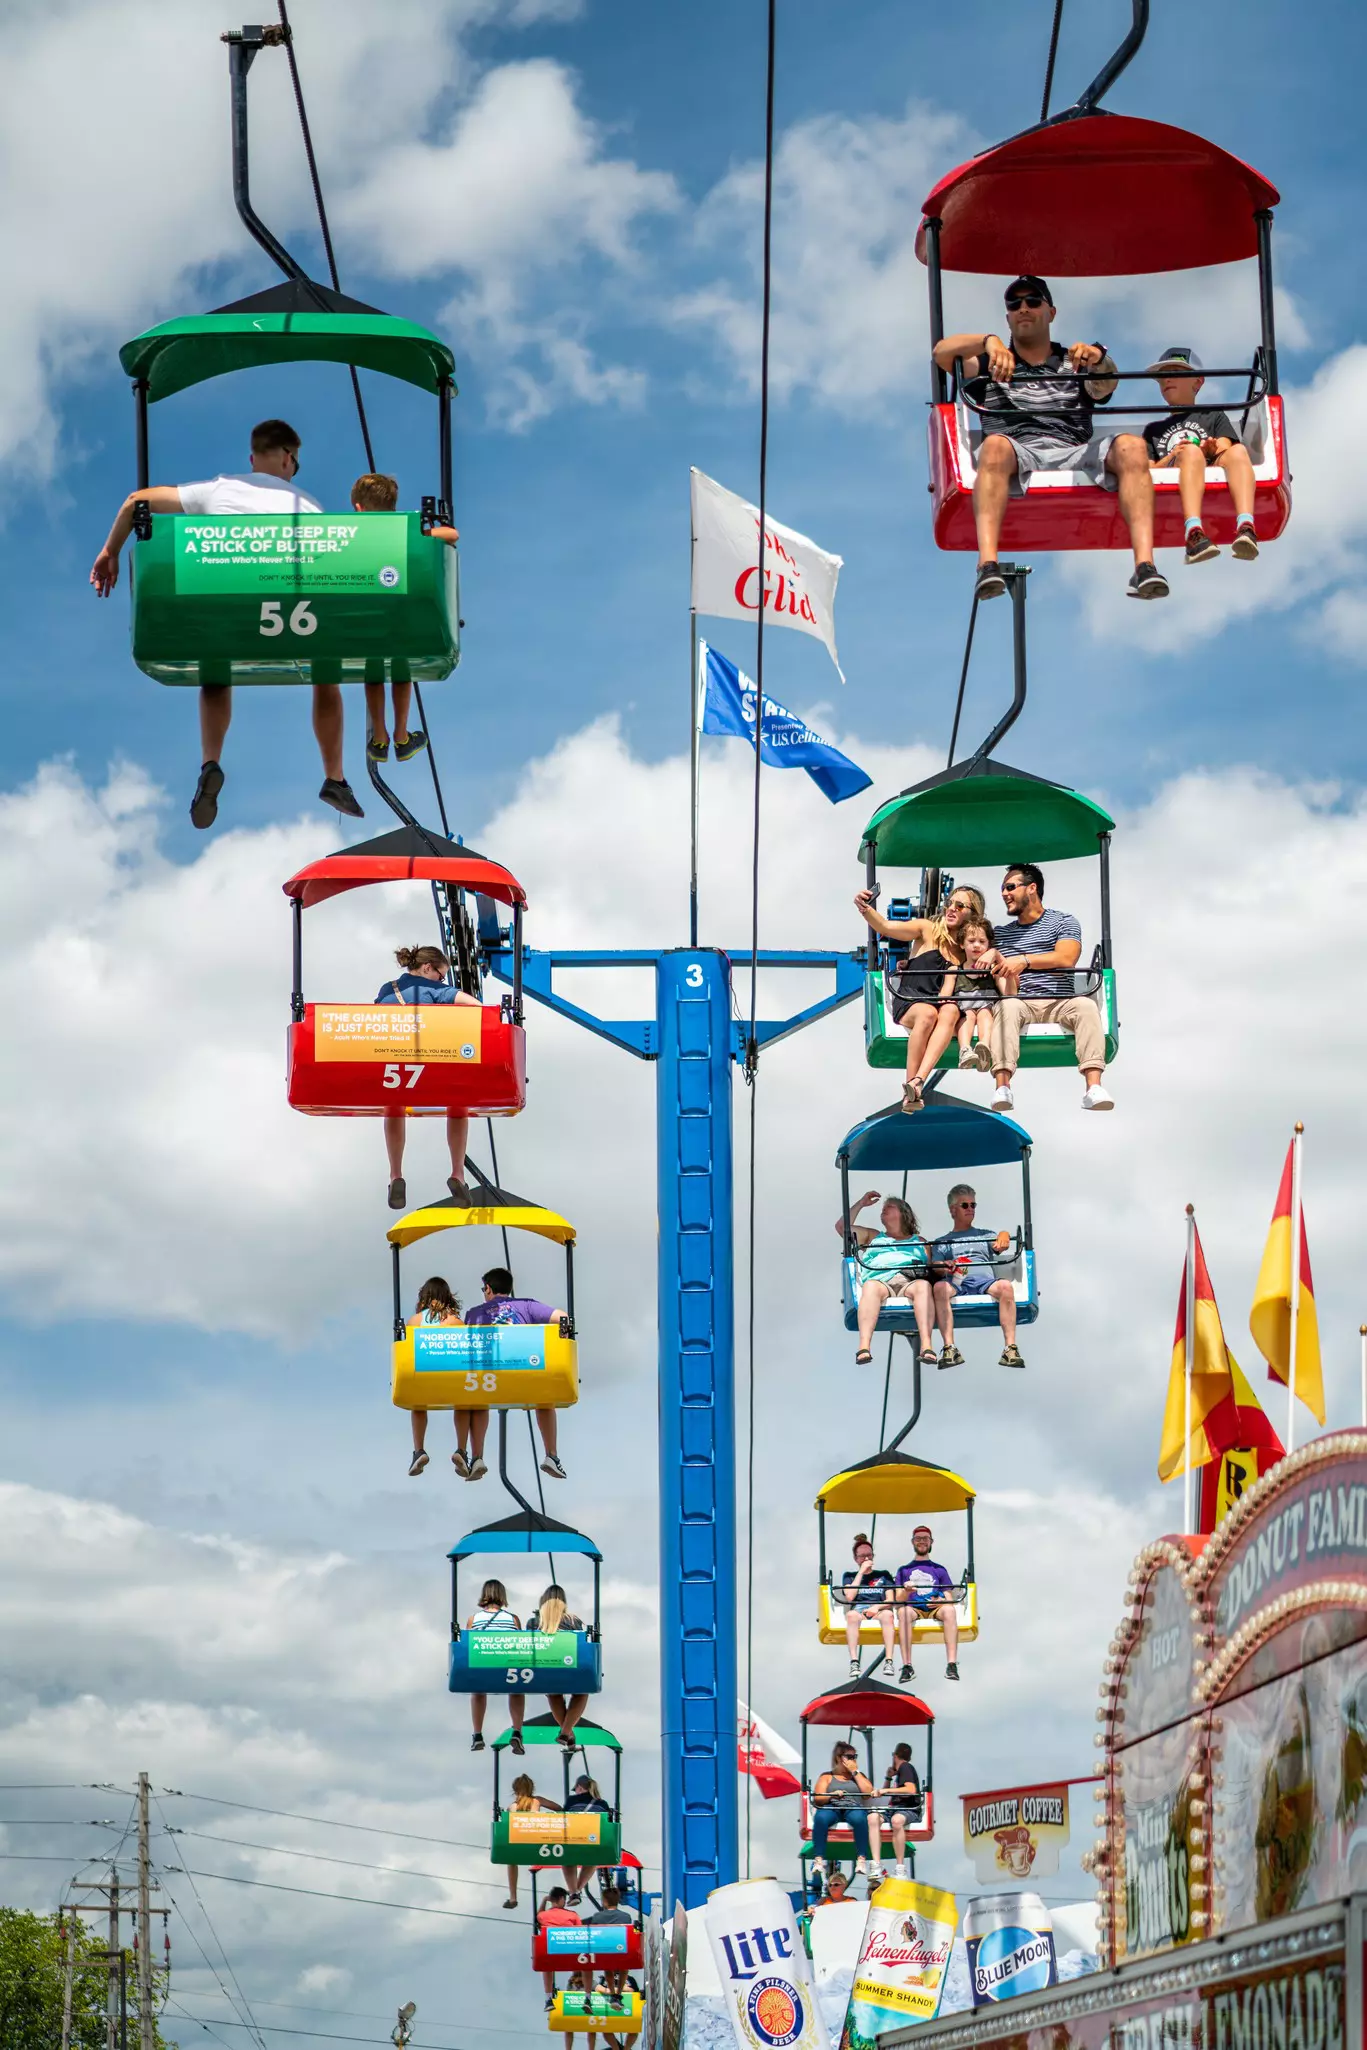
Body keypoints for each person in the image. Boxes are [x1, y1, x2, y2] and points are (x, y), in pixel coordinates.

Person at [89, 418, 367, 827]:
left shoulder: (217, 489)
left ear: (252, 459)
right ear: (288, 459)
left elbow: (135, 503)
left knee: (215, 669)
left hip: (225, 604)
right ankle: (335, 777)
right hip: (289, 612)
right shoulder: (307, 506)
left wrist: (110, 551)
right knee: (326, 672)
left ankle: (210, 762)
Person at [933, 279, 1169, 602]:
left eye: (1033, 301)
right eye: (1015, 304)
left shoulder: (1075, 362)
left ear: (1051, 312)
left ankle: (1145, 566)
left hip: (1073, 450)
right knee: (995, 446)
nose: (1023, 309)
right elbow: (941, 354)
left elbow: (1106, 384)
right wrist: (988, 341)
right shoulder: (992, 363)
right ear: (1007, 317)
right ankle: (987, 564)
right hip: (1017, 449)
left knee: (1132, 446)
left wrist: (1098, 359)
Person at [979, 863, 1113, 1113]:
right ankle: (1002, 1086)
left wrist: (1024, 961)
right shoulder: (1001, 935)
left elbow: (1066, 958)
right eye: (1003, 889)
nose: (1005, 894)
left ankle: (1094, 1087)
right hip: (1021, 1000)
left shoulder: (1063, 921)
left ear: (1032, 888)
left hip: (1059, 1000)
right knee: (1007, 1007)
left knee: (1085, 1006)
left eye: (1010, 887)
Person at [349, 473, 459, 762]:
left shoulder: (352, 533)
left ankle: (380, 736)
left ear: (359, 509)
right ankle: (400, 734)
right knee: (402, 670)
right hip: (400, 614)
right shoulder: (403, 528)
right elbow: (452, 535)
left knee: (373, 672)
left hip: (367, 616)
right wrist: (429, 533)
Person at [854, 885, 986, 1110]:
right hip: (912, 998)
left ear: (973, 914)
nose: (951, 909)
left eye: (959, 906)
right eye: (949, 904)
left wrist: (991, 953)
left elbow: (996, 953)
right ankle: (910, 1086)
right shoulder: (928, 929)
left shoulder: (967, 949)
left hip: (940, 1004)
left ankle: (917, 1083)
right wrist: (865, 907)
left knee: (950, 1010)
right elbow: (886, 927)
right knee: (927, 1014)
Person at [374, 944, 479, 1211]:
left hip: (396, 1067)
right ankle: (457, 1173)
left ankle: (395, 1174)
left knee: (394, 1107)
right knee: (458, 1106)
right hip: (433, 1063)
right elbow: (477, 1006)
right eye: (441, 976)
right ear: (427, 968)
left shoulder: (387, 990)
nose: (442, 981)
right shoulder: (434, 989)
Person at [1142, 348, 1261, 567]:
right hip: (1176, 470)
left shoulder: (1213, 414)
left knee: (1238, 451)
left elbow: (1225, 447)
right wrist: (1174, 455)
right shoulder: (1153, 430)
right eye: (1162, 376)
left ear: (1197, 381)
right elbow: (1148, 471)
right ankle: (1193, 531)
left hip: (1208, 464)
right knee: (1190, 452)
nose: (1166, 380)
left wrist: (1208, 449)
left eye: (1175, 373)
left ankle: (1246, 526)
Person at [462, 1268, 570, 1478]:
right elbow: (563, 1318)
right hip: (523, 1371)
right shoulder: (527, 1306)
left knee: (478, 1401)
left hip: (490, 1376)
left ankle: (476, 1458)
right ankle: (552, 1455)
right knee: (544, 1399)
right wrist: (562, 1342)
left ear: (488, 1289)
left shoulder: (474, 1313)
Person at [929, 1185, 1024, 1370]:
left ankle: (1010, 1348)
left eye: (973, 1205)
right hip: (957, 1280)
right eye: (965, 1205)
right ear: (953, 1210)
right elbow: (937, 1265)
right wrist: (945, 1265)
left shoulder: (984, 1235)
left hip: (983, 1281)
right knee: (939, 1288)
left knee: (1005, 1287)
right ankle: (949, 1347)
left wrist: (1004, 1235)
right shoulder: (943, 1242)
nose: (970, 1209)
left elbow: (999, 1245)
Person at [837, 1192, 936, 1369]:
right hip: (880, 1281)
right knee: (870, 1287)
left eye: (889, 1207)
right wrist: (861, 1204)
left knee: (923, 1286)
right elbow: (841, 1228)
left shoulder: (920, 1242)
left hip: (909, 1281)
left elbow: (930, 1268)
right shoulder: (874, 1237)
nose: (883, 1210)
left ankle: (927, 1346)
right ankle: (864, 1347)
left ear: (903, 1213)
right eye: (883, 1208)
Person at [405, 1277, 474, 1476]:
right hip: (451, 1375)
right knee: (463, 1403)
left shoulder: (415, 1321)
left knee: (418, 1405)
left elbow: (408, 1349)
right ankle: (461, 1449)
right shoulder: (455, 1321)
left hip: (424, 1374)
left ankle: (419, 1450)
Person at [466, 1578, 526, 1755]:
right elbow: (519, 1645)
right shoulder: (513, 1619)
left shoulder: (474, 1620)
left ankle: (477, 1734)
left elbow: (468, 1647)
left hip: (483, 1668)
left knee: (478, 1691)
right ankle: (517, 1731)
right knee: (516, 1689)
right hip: (507, 1669)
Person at [894, 1526, 960, 1683]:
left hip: (935, 1607)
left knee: (950, 1611)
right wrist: (907, 1591)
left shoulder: (939, 1569)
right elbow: (898, 1599)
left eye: (925, 1538)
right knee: (903, 1612)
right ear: (913, 1542)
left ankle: (952, 1664)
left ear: (931, 1542)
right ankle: (907, 1666)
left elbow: (948, 1597)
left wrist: (940, 1601)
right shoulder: (903, 1570)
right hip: (913, 1608)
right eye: (918, 1539)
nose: (922, 1541)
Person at [940, 918, 1004, 1071]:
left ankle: (984, 1045)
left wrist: (998, 959)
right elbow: (945, 995)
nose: (976, 945)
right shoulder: (954, 970)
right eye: (971, 941)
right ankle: (965, 1049)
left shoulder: (993, 969)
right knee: (968, 1015)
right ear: (962, 944)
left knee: (985, 1013)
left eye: (982, 941)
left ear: (988, 945)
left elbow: (1007, 991)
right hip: (964, 1008)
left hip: (986, 1006)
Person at [810, 1741, 874, 1892]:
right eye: (849, 1757)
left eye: (854, 1757)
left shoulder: (858, 1776)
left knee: (859, 1819)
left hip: (852, 1806)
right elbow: (818, 1798)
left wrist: (855, 1772)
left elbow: (868, 1793)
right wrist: (832, 1795)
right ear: (839, 1758)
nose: (853, 1760)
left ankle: (861, 1858)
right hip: (832, 1806)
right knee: (821, 1818)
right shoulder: (827, 1776)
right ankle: (818, 1859)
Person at [838, 1534, 899, 1680]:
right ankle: (854, 1661)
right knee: (851, 1616)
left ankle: (889, 1660)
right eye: (862, 1556)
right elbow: (850, 1596)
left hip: (879, 1608)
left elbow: (890, 1599)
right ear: (856, 1559)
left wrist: (876, 1608)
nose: (866, 1559)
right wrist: (861, 1572)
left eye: (869, 1555)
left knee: (888, 1615)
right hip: (859, 1609)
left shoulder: (883, 1575)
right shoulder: (850, 1576)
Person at [538, 1585, 590, 1749]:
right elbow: (581, 1645)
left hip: (546, 1670)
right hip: (569, 1666)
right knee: (581, 1693)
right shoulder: (573, 1620)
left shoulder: (537, 1623)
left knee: (554, 1694)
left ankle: (567, 1732)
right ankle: (566, 1731)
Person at [503, 1774, 562, 1909]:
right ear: (532, 1788)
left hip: (520, 1844)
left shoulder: (512, 1807)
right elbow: (558, 1807)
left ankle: (513, 1897)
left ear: (514, 1790)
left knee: (511, 1861)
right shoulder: (537, 1800)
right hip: (537, 1842)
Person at [872, 1743, 923, 1878]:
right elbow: (885, 1795)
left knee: (896, 1821)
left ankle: (900, 1868)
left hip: (907, 1809)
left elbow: (911, 1789)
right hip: (893, 1809)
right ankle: (876, 1864)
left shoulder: (905, 1767)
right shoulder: (900, 1774)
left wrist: (886, 1790)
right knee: (872, 1818)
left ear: (894, 1756)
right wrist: (888, 1778)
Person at [563, 1774, 611, 1905]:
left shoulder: (572, 1800)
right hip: (594, 1842)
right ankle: (577, 1890)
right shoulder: (603, 1804)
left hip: (574, 1839)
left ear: (579, 1787)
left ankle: (574, 1892)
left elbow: (564, 1818)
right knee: (592, 1861)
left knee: (567, 1861)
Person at [538, 1886, 582, 2009]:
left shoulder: (543, 1916)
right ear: (562, 1898)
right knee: (586, 1961)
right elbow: (580, 1931)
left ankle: (548, 1998)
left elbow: (538, 1917)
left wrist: (544, 1900)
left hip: (553, 1952)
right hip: (571, 1952)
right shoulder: (572, 1915)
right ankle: (586, 1994)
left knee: (546, 1966)